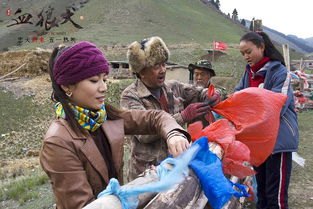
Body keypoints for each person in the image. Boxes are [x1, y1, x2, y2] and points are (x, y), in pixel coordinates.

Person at [39, 41, 191, 209]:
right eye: (94, 80)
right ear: (67, 85)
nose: (104, 87)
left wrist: (173, 134)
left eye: (104, 79)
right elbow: (83, 205)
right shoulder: (58, 143)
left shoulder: (105, 117)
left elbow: (155, 117)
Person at [120, 36, 220, 181]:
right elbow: (144, 134)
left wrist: (211, 94)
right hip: (147, 174)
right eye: (156, 66)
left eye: (163, 64)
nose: (162, 70)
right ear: (141, 71)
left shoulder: (173, 87)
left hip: (175, 167)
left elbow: (197, 91)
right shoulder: (130, 96)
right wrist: (183, 116)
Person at [235, 31, 299, 209]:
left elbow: (277, 104)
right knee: (261, 195)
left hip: (278, 141)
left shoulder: (280, 72)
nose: (246, 57)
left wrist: (248, 104)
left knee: (275, 198)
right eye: (242, 54)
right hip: (259, 143)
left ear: (261, 47)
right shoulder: (249, 74)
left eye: (248, 51)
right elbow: (236, 97)